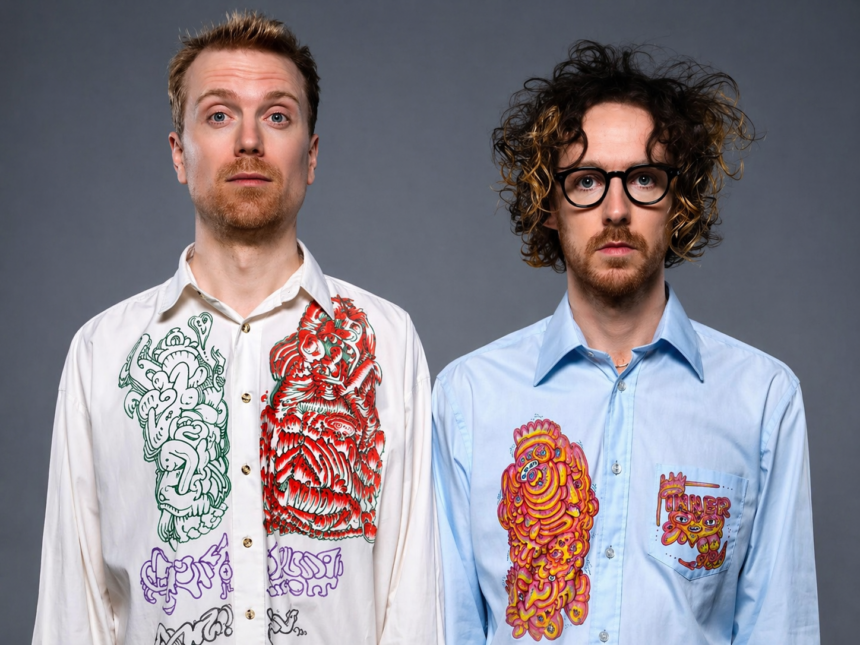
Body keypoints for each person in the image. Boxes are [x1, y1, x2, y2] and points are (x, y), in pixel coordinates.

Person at [32, 12, 441, 645]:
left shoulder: (385, 341)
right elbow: (74, 604)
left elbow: (412, 599)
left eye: (277, 116)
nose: (248, 140)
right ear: (178, 154)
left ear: (310, 156)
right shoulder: (102, 352)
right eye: (219, 115)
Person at [432, 42, 819, 644]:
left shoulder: (763, 398)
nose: (616, 210)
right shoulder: (467, 397)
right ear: (551, 205)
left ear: (677, 202)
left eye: (642, 178)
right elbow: (449, 628)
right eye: (586, 180)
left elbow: (780, 629)